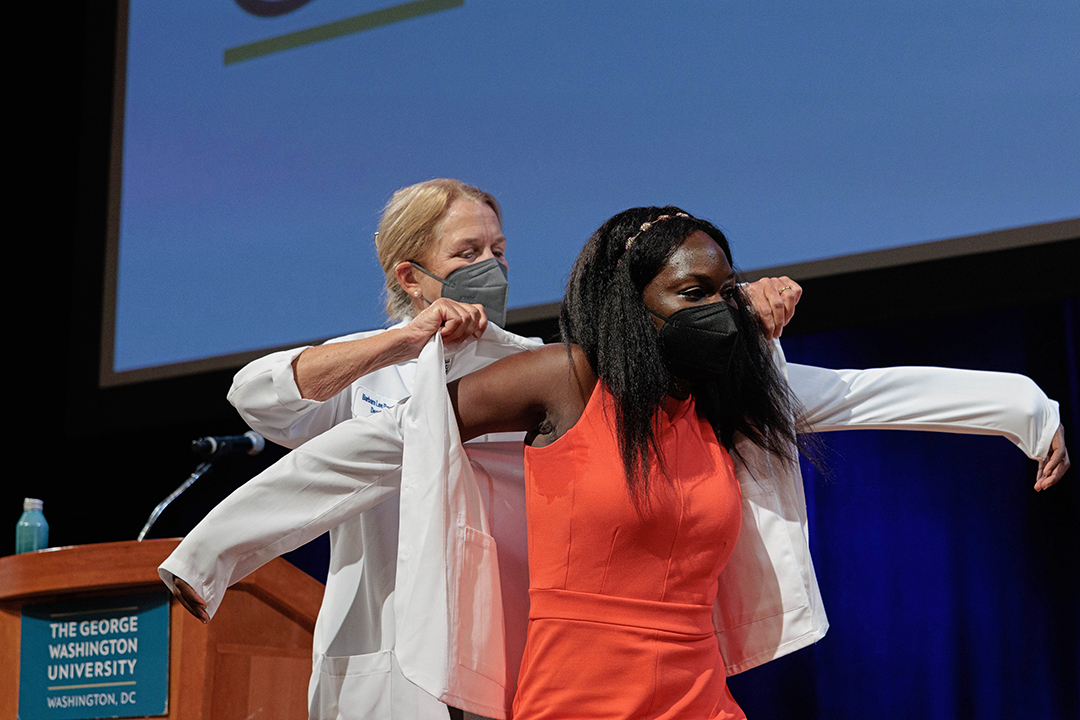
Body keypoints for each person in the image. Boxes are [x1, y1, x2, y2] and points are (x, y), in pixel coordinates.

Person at [162, 200, 1068, 719]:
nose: (723, 306)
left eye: (727, 288)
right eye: (693, 292)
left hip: (695, 696)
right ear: (632, 301)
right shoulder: (554, 379)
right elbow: (365, 453)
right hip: (574, 698)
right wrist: (212, 553)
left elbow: (866, 395)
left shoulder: (725, 392)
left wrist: (1025, 408)